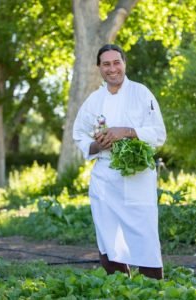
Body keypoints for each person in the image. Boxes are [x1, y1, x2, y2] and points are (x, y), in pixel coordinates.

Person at [73, 44, 166, 280]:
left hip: (137, 175)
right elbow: (80, 135)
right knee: (108, 233)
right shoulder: (93, 101)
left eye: (117, 62)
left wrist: (125, 131)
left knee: (143, 232)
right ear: (99, 68)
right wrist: (98, 145)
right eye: (106, 64)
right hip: (105, 177)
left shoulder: (141, 93)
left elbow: (158, 133)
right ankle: (119, 286)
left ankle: (152, 288)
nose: (112, 69)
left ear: (124, 64)